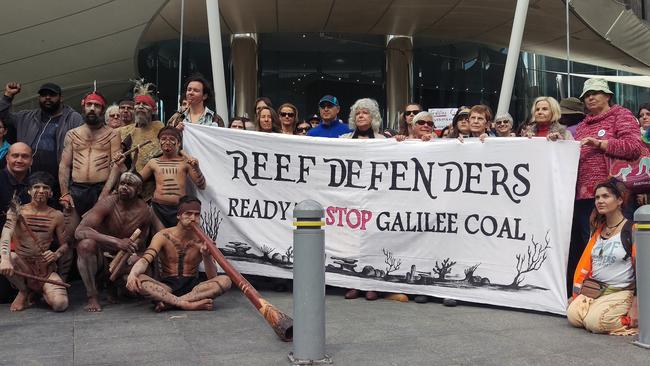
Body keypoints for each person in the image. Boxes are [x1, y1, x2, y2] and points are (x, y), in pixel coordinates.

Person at [572, 78, 644, 294]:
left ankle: (632, 295)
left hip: (616, 195)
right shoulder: (583, 125)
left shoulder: (621, 115)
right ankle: (596, 293)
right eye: (587, 94)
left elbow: (634, 148)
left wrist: (601, 143)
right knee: (593, 247)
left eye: (596, 92)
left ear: (608, 96)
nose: (591, 97)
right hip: (586, 196)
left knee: (624, 245)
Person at [75, 171, 164, 312]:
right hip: (102, 258)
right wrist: (116, 242)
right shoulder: (108, 203)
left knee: (137, 284)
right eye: (122, 183)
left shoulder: (146, 211)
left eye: (130, 185)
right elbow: (80, 231)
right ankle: (92, 296)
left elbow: (159, 237)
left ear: (139, 190)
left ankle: (116, 285)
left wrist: (139, 256)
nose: (124, 187)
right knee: (85, 245)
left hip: (126, 261)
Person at [126, 196, 232, 312]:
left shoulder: (203, 239)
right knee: (139, 279)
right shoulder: (163, 236)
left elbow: (212, 277)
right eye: (188, 214)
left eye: (197, 215)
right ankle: (186, 304)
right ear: (179, 215)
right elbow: (145, 260)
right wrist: (132, 274)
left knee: (225, 280)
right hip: (167, 288)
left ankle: (170, 303)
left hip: (194, 289)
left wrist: (206, 255)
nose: (193, 218)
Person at [567, 180, 638, 336]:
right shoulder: (598, 231)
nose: (600, 201)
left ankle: (633, 321)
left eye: (605, 196)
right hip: (595, 290)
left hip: (621, 291)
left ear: (619, 200)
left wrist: (636, 304)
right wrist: (577, 296)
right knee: (573, 316)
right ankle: (597, 311)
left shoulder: (631, 230)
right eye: (597, 197)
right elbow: (586, 265)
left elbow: (643, 271)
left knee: (596, 323)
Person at [0, 172, 69, 312]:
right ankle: (24, 291)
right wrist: (5, 259)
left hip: (45, 270)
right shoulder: (16, 211)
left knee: (60, 304)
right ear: (29, 190)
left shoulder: (57, 215)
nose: (41, 191)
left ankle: (41, 293)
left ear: (50, 193)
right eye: (36, 187)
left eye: (46, 188)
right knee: (10, 257)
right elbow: (6, 234)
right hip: (22, 267)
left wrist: (56, 254)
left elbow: (65, 245)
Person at [0, 82, 83, 192]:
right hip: (27, 179)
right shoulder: (26, 117)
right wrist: (8, 95)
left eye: (52, 95)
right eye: (43, 95)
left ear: (61, 98)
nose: (47, 97)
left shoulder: (73, 118)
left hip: (60, 182)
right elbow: (2, 115)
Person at [59, 91, 121, 222]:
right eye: (89, 105)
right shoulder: (72, 134)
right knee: (70, 235)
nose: (92, 108)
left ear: (102, 110)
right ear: (84, 107)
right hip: (76, 189)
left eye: (97, 105)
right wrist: (64, 193)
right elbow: (64, 165)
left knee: (96, 234)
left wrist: (105, 192)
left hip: (101, 189)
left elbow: (117, 164)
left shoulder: (113, 135)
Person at [139, 127, 206, 227]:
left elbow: (202, 186)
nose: (167, 142)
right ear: (159, 142)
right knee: (161, 237)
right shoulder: (153, 162)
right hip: (158, 209)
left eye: (171, 139)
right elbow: (136, 180)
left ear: (178, 143)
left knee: (177, 239)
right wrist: (119, 167)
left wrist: (196, 168)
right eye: (164, 139)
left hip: (179, 209)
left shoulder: (185, 162)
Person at [112, 80, 164, 200]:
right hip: (128, 188)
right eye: (138, 103)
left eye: (145, 104)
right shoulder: (123, 131)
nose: (140, 106)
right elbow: (117, 163)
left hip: (154, 190)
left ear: (153, 109)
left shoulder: (159, 128)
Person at [0, 142, 32, 303]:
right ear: (7, 158)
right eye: (15, 155)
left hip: (26, 246)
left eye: (25, 156)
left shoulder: (35, 186)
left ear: (31, 161)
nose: (19, 160)